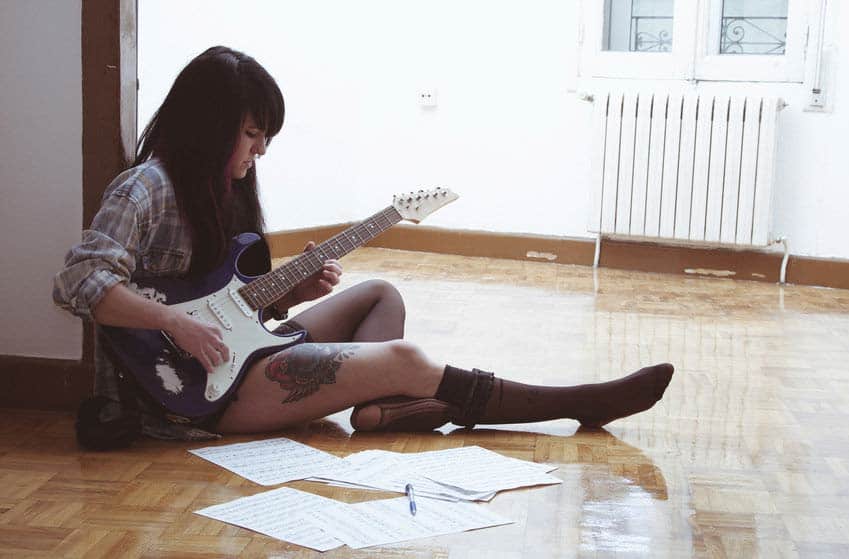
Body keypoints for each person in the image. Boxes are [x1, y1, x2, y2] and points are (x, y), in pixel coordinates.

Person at [54, 46, 673, 444]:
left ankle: (378, 407)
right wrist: (176, 327)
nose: (260, 150)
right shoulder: (147, 188)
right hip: (191, 395)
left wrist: (287, 293)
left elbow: (228, 309)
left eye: (265, 136)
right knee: (406, 359)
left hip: (238, 357)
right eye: (250, 133)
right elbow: (80, 283)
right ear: (210, 125)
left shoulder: (223, 191)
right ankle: (572, 404)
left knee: (379, 292)